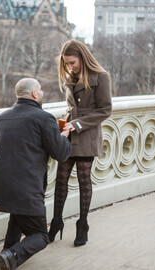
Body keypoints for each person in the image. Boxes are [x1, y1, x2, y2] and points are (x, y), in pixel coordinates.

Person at [0, 78, 71, 270]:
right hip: (25, 187)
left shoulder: (0, 118)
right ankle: (12, 255)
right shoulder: (44, 118)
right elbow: (62, 154)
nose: (41, 93)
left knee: (18, 216)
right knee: (41, 236)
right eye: (40, 90)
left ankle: (7, 252)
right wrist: (63, 137)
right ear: (34, 94)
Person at [49, 40, 112, 246]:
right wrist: (61, 127)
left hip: (86, 134)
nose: (70, 67)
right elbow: (69, 107)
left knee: (84, 181)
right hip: (68, 134)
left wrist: (77, 124)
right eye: (66, 63)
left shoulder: (101, 77)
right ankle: (56, 222)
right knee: (61, 180)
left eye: (73, 62)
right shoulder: (71, 76)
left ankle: (82, 225)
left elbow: (105, 110)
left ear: (82, 58)